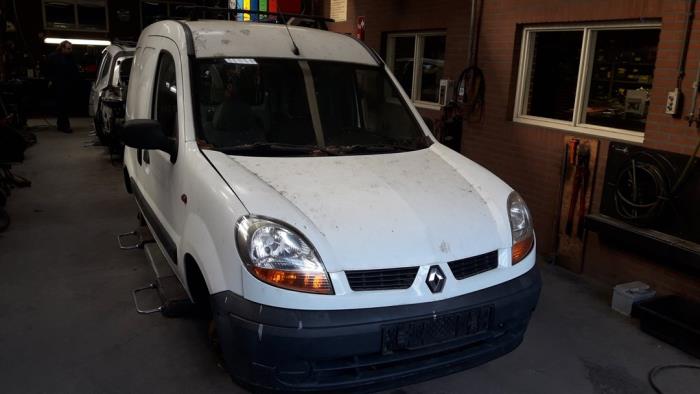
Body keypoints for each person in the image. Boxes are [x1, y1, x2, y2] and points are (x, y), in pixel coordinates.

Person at [47, 40, 79, 133]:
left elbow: (74, 70)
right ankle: (65, 126)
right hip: (58, 84)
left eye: (71, 48)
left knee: (64, 106)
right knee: (62, 106)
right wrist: (51, 80)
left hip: (67, 85)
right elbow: (49, 70)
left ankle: (61, 125)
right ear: (62, 48)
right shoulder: (53, 57)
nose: (70, 50)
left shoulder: (70, 57)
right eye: (68, 48)